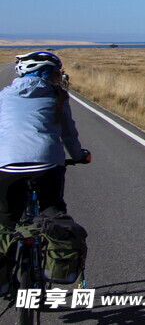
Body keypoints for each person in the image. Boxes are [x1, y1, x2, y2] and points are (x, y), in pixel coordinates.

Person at [0, 51, 90, 230]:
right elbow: (68, 134)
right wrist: (79, 155)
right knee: (53, 213)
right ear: (46, 73)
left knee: (6, 220)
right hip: (47, 164)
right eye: (57, 72)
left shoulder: (4, 96)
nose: (60, 76)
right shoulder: (58, 96)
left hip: (7, 164)